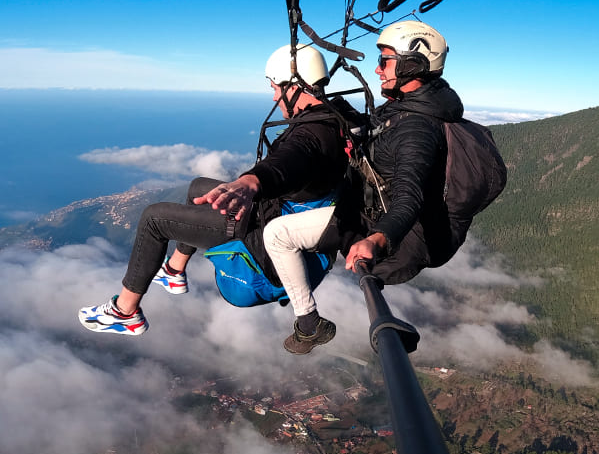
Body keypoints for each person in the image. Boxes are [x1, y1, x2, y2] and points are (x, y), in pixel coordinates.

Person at [78, 44, 352, 343]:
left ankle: (125, 312)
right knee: (198, 186)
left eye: (276, 88)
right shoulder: (331, 116)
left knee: (153, 218)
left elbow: (287, 161)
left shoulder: (309, 135)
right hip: (286, 210)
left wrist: (250, 183)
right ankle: (173, 270)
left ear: (295, 86)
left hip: (267, 237)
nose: (274, 97)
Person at [264, 20, 464, 348]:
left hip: (379, 222)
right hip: (367, 203)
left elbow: (408, 197)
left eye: (385, 61)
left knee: (278, 234)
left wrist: (377, 239)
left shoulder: (417, 129)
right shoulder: (410, 104)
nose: (377, 70)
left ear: (412, 64)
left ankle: (308, 323)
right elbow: (377, 130)